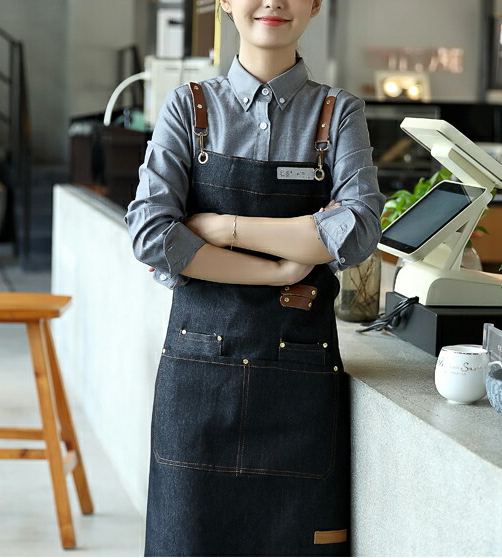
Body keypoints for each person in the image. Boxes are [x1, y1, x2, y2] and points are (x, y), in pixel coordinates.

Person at [125, 0, 384, 555]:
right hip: (198, 390)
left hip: (298, 393)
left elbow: (359, 228)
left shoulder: (338, 113)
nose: (273, 2)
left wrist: (221, 228)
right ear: (223, 1)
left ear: (315, 5)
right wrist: (281, 269)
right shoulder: (189, 107)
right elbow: (150, 233)